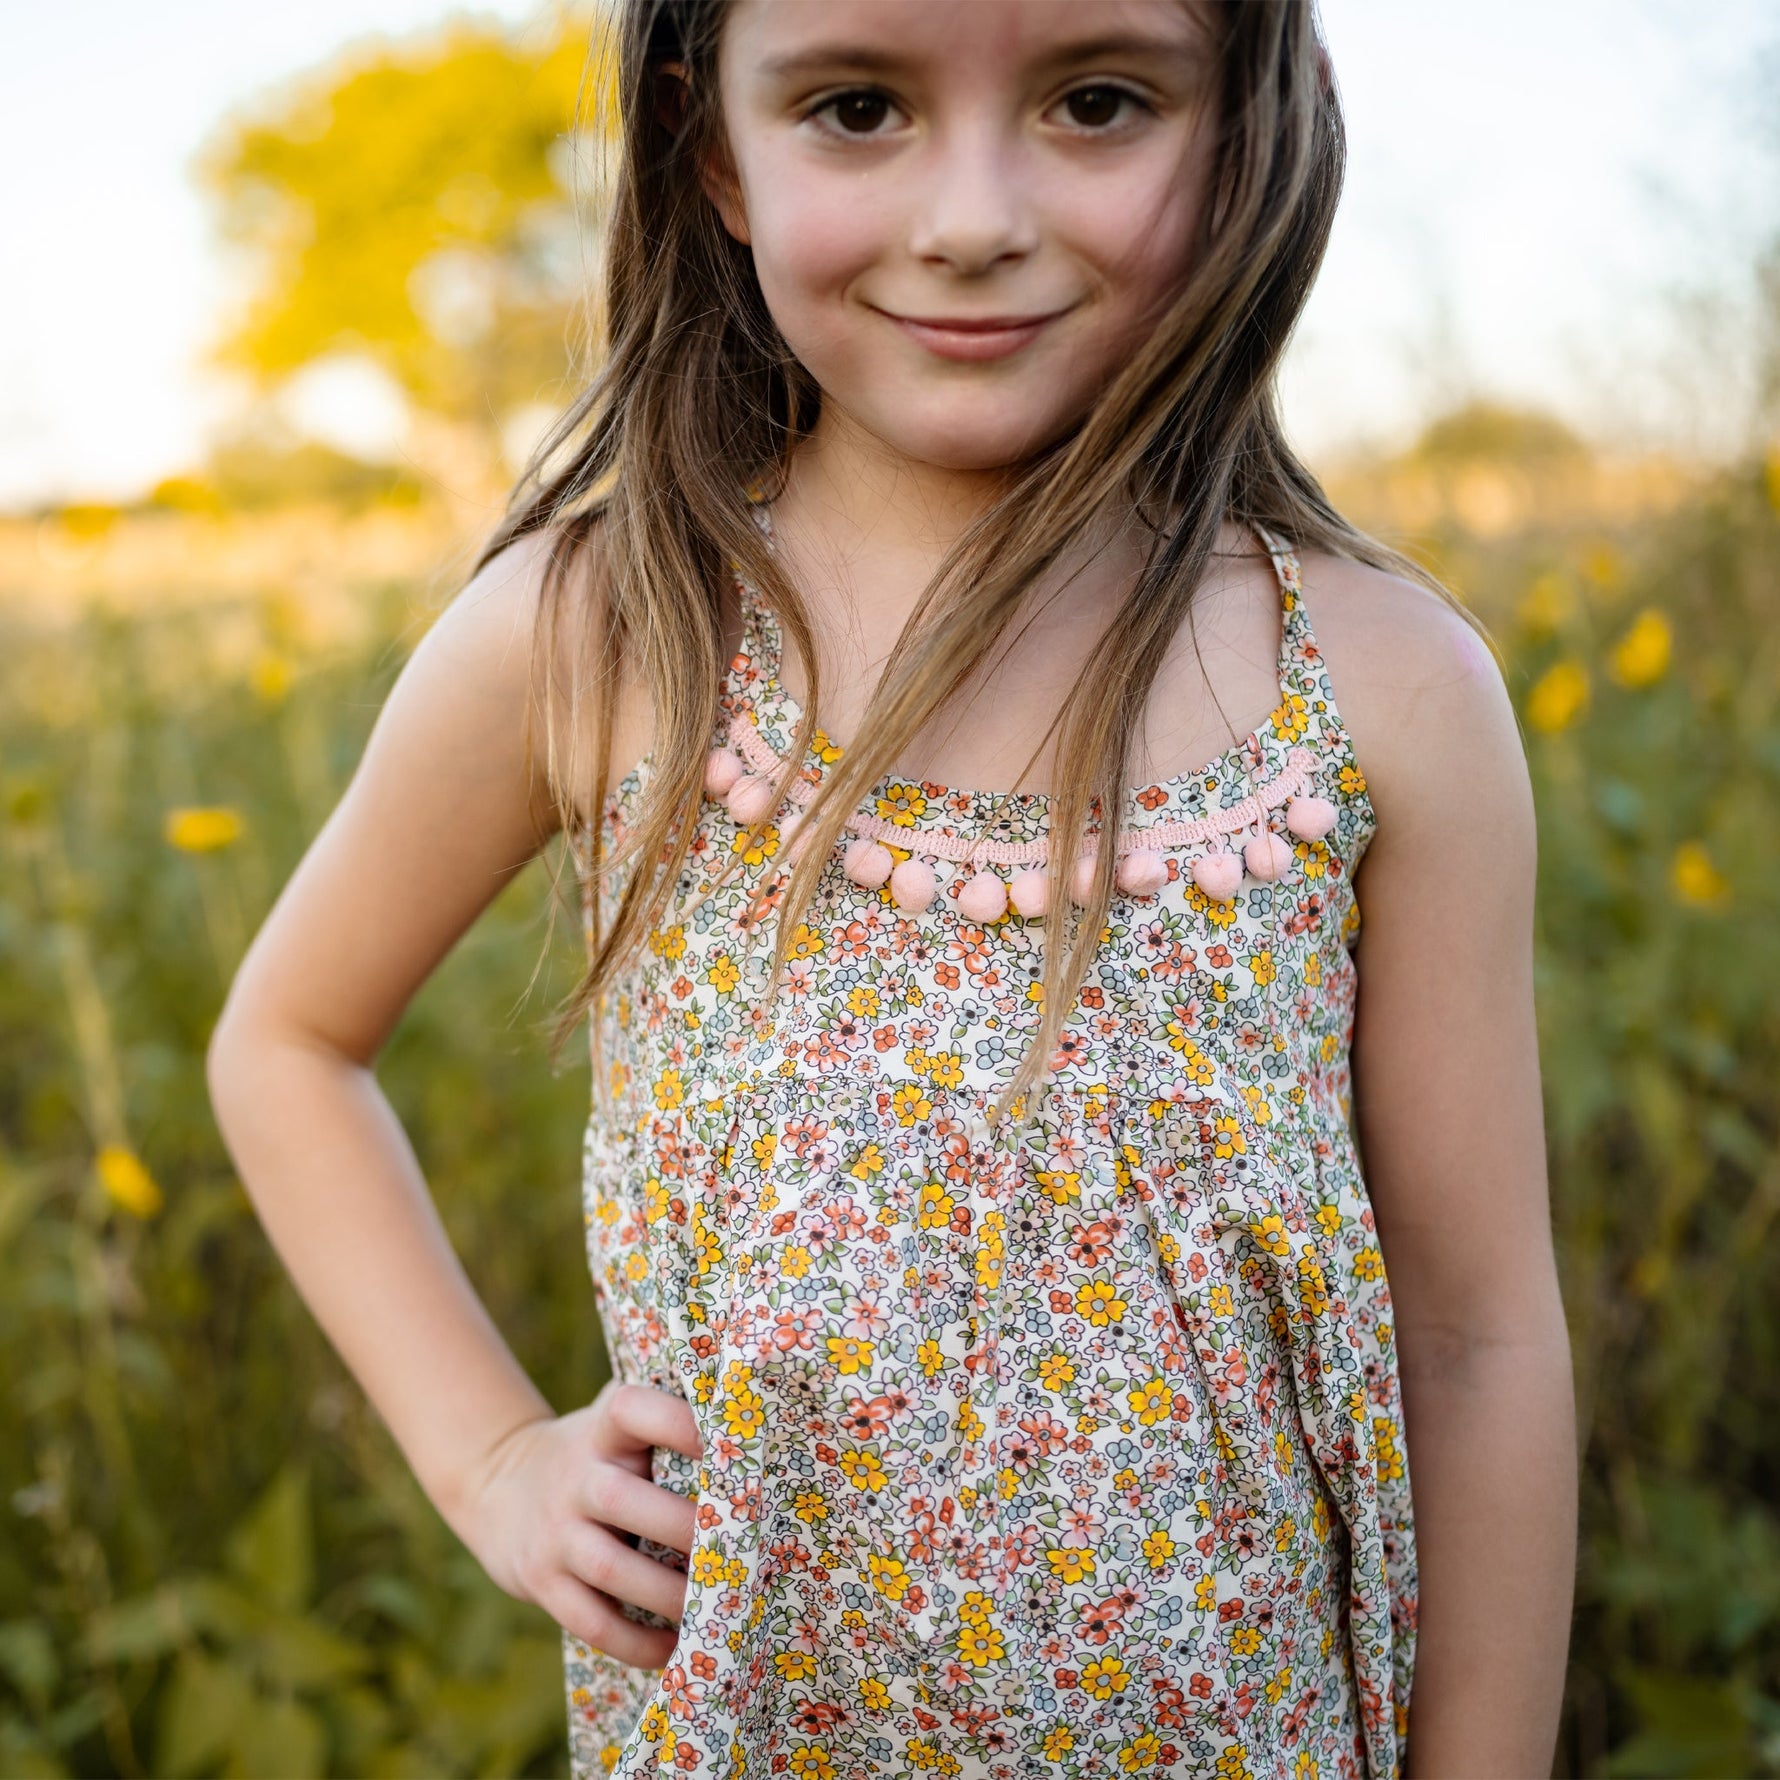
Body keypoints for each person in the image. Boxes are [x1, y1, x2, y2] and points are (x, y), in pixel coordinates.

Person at [207, 0, 1579, 1775]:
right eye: (859, 107)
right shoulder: (614, 632)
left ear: (1243, 119)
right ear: (716, 151)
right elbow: (290, 1041)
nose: (973, 214)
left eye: (1098, 99)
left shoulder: (1384, 691)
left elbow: (1473, 1339)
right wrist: (491, 1460)